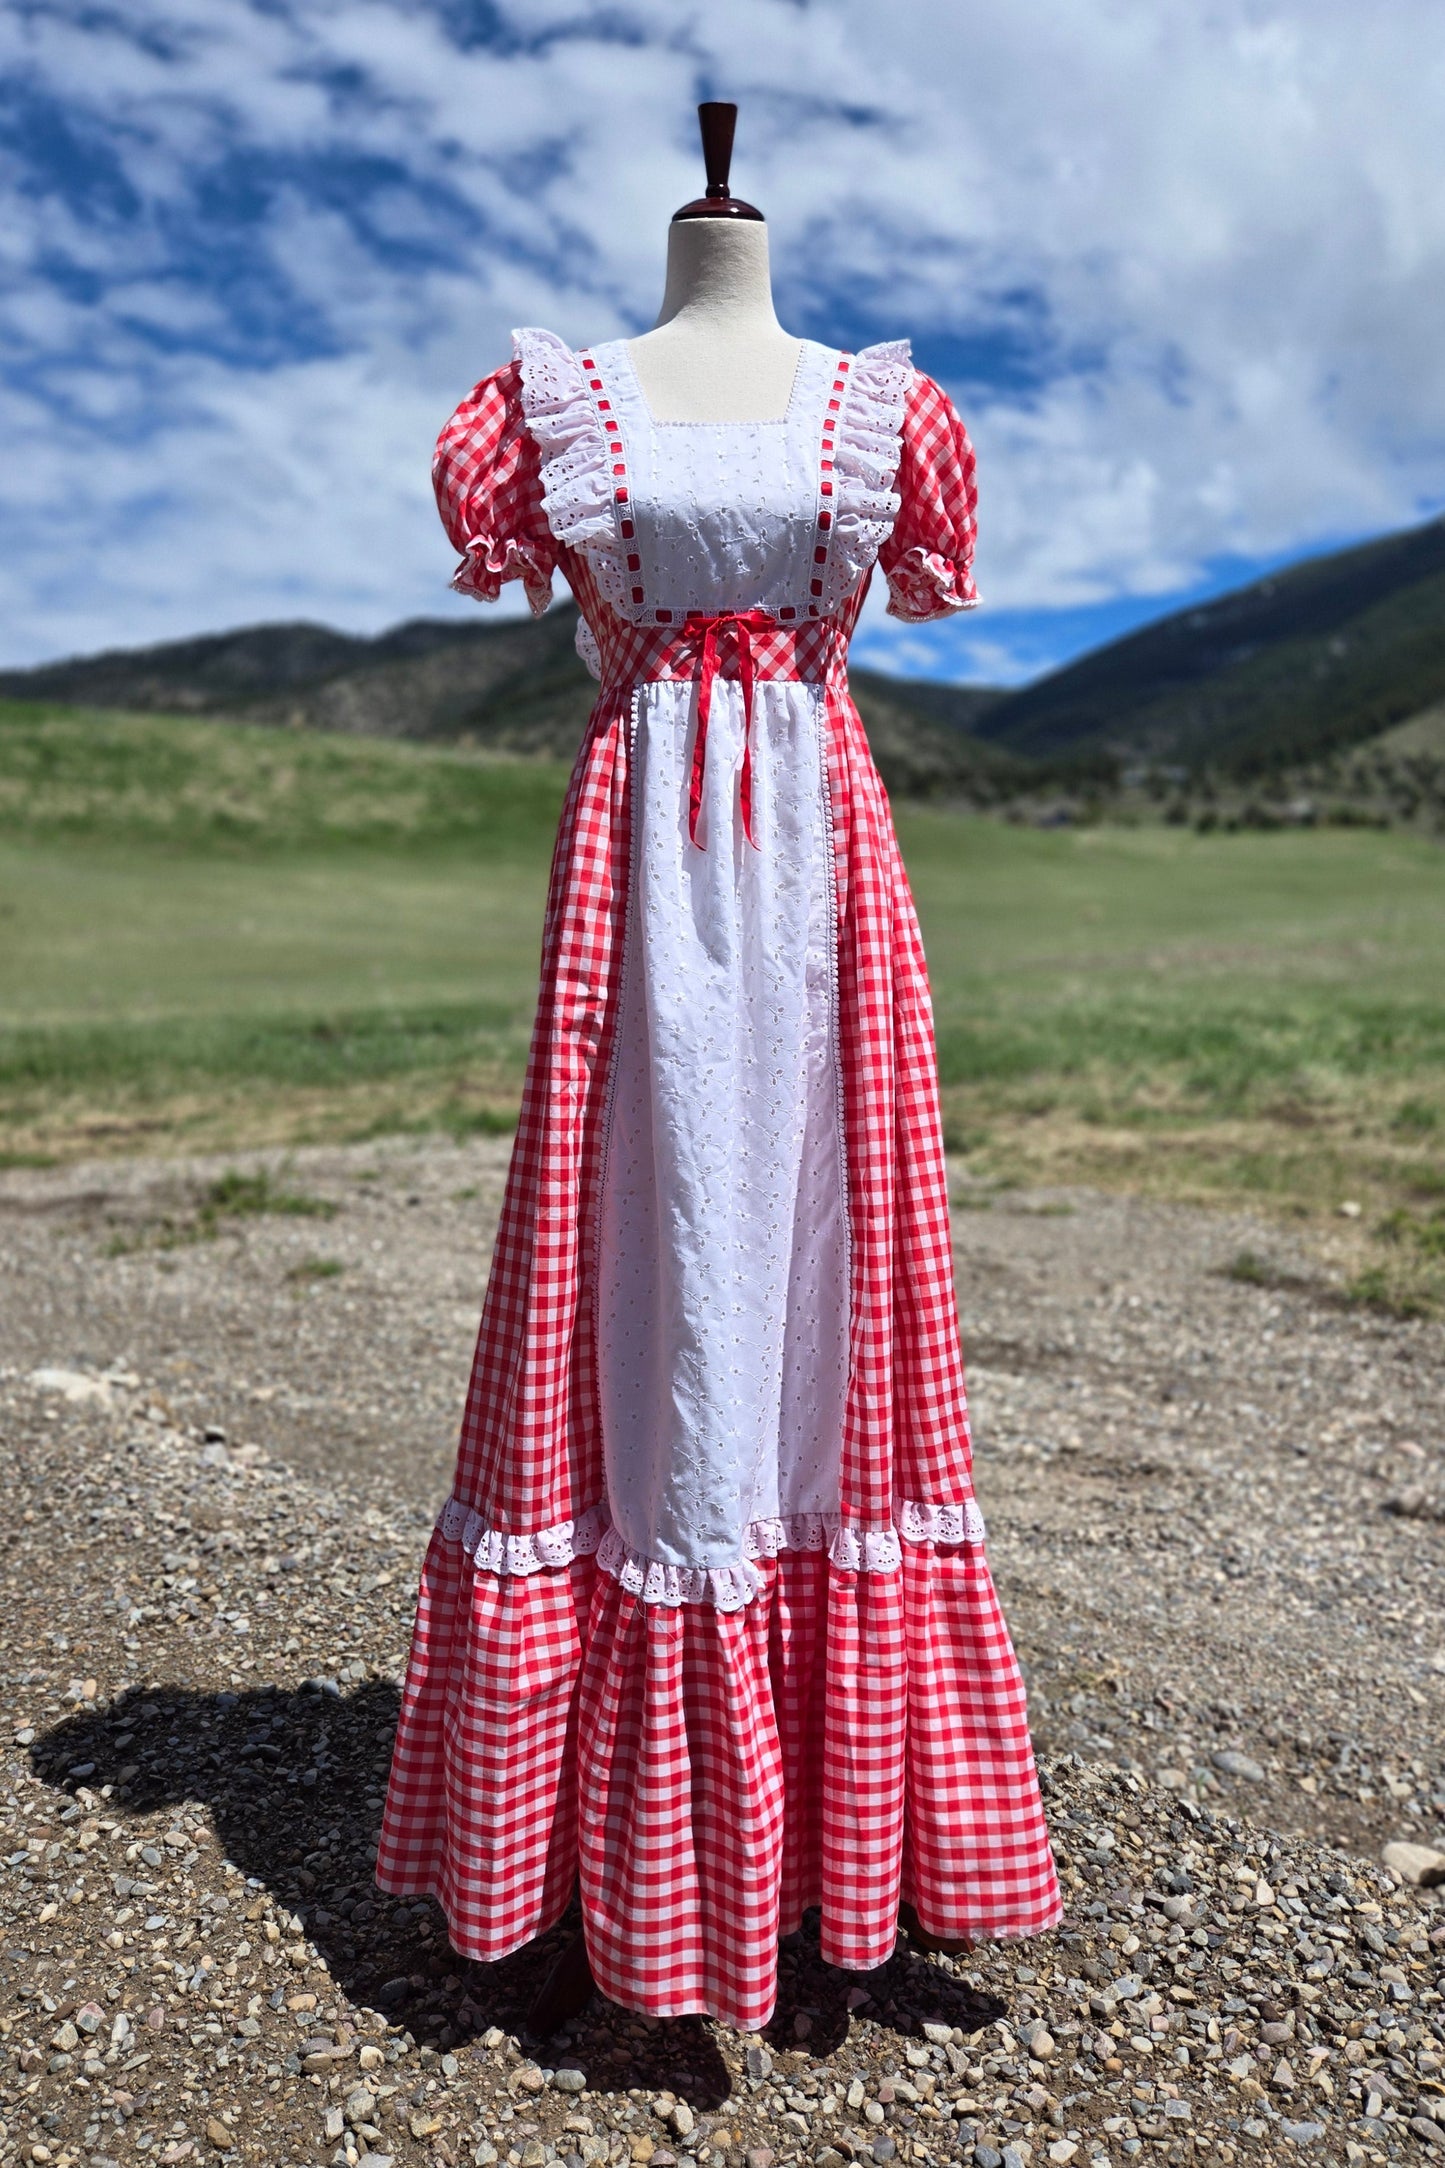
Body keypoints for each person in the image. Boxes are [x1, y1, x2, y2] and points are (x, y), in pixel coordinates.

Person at [375, 118, 1060, 2037]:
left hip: (822, 887)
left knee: (831, 1284)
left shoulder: (876, 414)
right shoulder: (549, 409)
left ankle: (839, 1845)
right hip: (638, 883)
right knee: (629, 1275)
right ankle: (619, 1853)